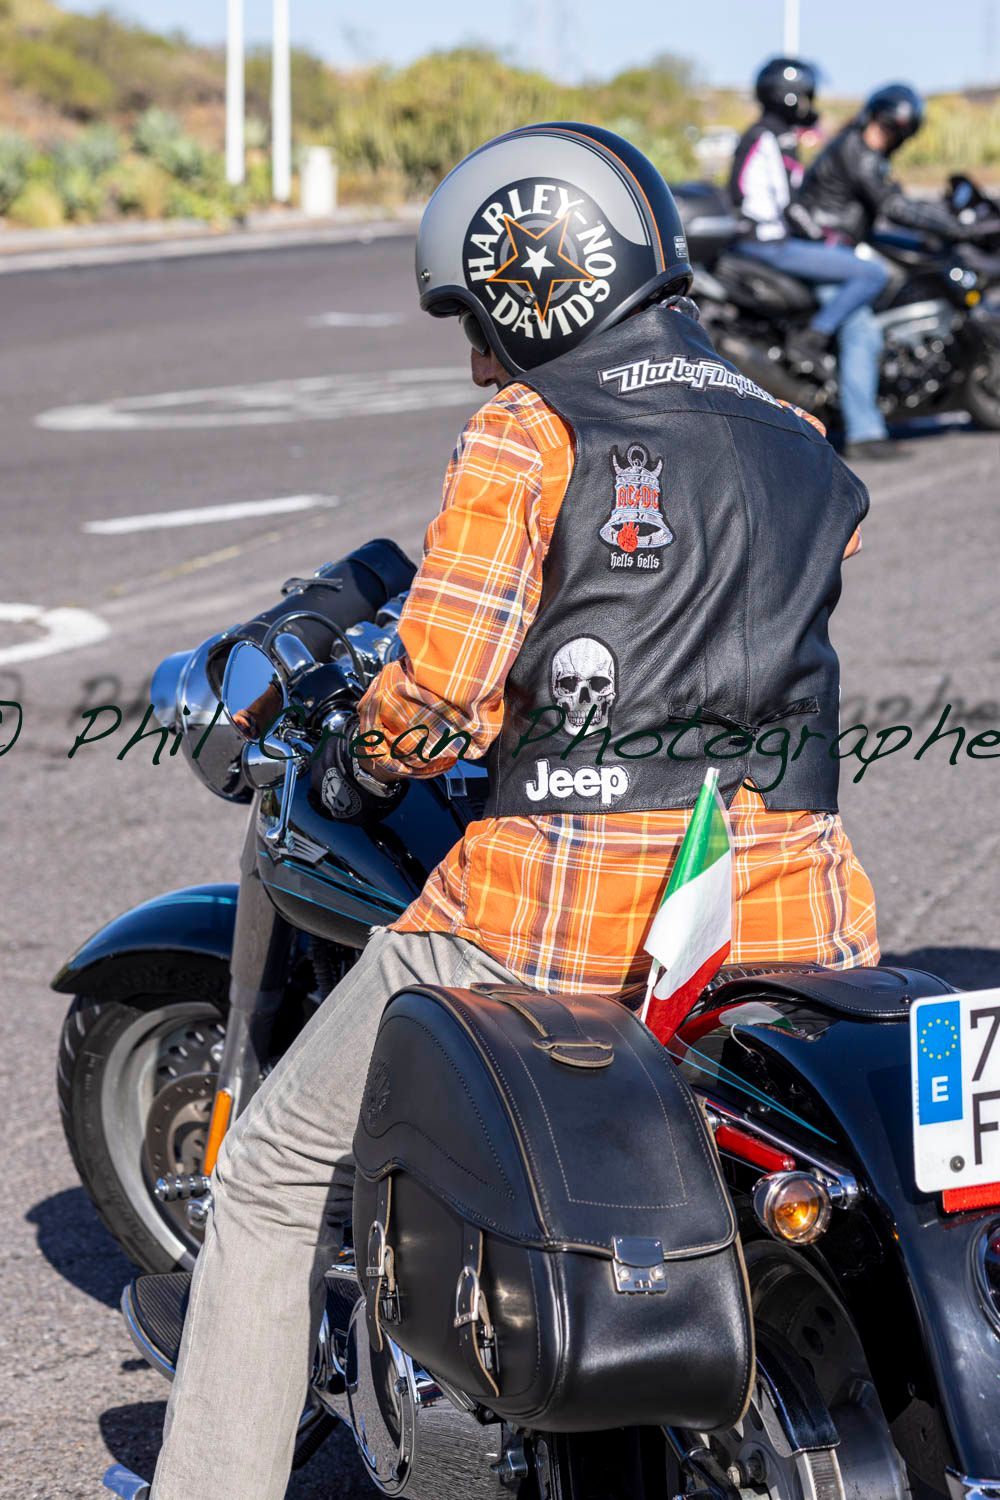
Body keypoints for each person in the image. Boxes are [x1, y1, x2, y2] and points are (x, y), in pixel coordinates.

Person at [144, 123, 879, 1500]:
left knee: (271, 1173)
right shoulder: (798, 438)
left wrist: (361, 766)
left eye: (482, 319)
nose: (481, 356)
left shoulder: (530, 431)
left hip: (548, 920)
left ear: (542, 279)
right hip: (790, 907)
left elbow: (437, 696)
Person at [795, 82, 982, 459]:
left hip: (838, 249)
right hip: (825, 253)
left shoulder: (864, 151)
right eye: (887, 127)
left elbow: (889, 204)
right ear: (872, 118)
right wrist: (955, 227)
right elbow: (894, 207)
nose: (889, 137)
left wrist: (936, 223)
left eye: (897, 132)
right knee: (861, 329)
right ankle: (864, 434)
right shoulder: (857, 151)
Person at [730, 58, 897, 461]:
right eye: (805, 94)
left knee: (859, 321)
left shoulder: (775, 137)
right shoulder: (767, 138)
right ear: (786, 95)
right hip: (769, 245)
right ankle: (814, 337)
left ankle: (864, 429)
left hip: (775, 241)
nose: (810, 101)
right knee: (872, 273)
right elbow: (772, 204)